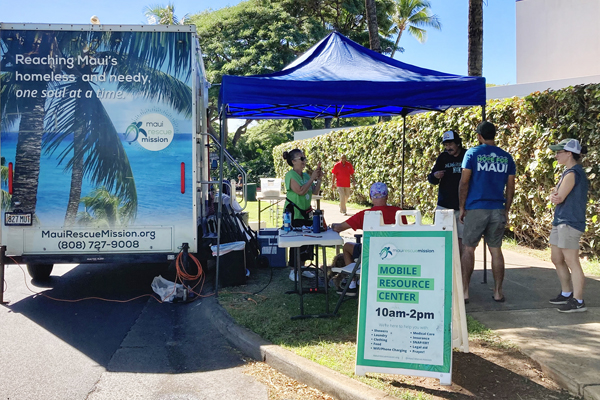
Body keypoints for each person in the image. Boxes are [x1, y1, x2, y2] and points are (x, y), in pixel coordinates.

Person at [459, 121, 516, 303]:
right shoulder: (506, 157)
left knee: (468, 249)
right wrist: (506, 209)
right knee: (496, 250)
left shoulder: (472, 153)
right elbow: (510, 187)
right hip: (497, 208)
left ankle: (465, 291)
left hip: (476, 207)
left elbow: (464, 181)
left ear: (479, 136)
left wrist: (462, 207)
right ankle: (498, 292)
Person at [331, 182, 405, 296]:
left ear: (370, 197)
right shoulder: (398, 212)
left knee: (346, 247)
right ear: (387, 196)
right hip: (395, 253)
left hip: (370, 253)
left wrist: (332, 226)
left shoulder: (365, 214)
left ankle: (353, 283)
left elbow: (340, 227)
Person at [547, 139, 589, 313]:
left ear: (569, 153)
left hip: (569, 222)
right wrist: (554, 194)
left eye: (559, 152)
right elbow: (555, 194)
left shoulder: (572, 173)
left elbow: (558, 197)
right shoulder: (568, 172)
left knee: (572, 261)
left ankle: (578, 300)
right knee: (556, 258)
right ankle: (566, 293)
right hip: (561, 221)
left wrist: (554, 195)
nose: (556, 155)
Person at [283, 148, 323, 281]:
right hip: (294, 212)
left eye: (304, 158)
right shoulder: (290, 175)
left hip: (307, 212)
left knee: (308, 240)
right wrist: (312, 178)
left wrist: (319, 179)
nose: (304, 161)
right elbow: (300, 191)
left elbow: (315, 192)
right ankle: (293, 270)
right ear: (293, 161)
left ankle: (303, 268)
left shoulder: (305, 176)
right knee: (296, 241)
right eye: (301, 158)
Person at [428, 130, 466, 254]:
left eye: (451, 144)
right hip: (444, 205)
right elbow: (431, 178)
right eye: (446, 145)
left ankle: (459, 268)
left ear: (458, 143)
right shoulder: (443, 157)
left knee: (462, 239)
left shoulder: (467, 155)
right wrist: (435, 175)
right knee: (440, 237)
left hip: (463, 207)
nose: (448, 148)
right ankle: (443, 264)